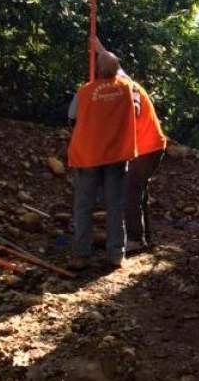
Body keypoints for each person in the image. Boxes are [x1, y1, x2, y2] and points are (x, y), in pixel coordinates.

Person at [67, 43, 140, 270]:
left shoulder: (85, 91)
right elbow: (137, 108)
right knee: (115, 205)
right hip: (116, 156)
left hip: (88, 155)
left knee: (84, 206)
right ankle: (116, 254)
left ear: (97, 70)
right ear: (117, 70)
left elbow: (71, 116)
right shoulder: (127, 89)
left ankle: (81, 255)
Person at [125, 82, 166, 253]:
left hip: (146, 147)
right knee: (138, 191)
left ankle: (135, 239)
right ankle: (145, 237)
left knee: (130, 191)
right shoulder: (128, 85)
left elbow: (133, 113)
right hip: (151, 146)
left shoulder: (125, 87)